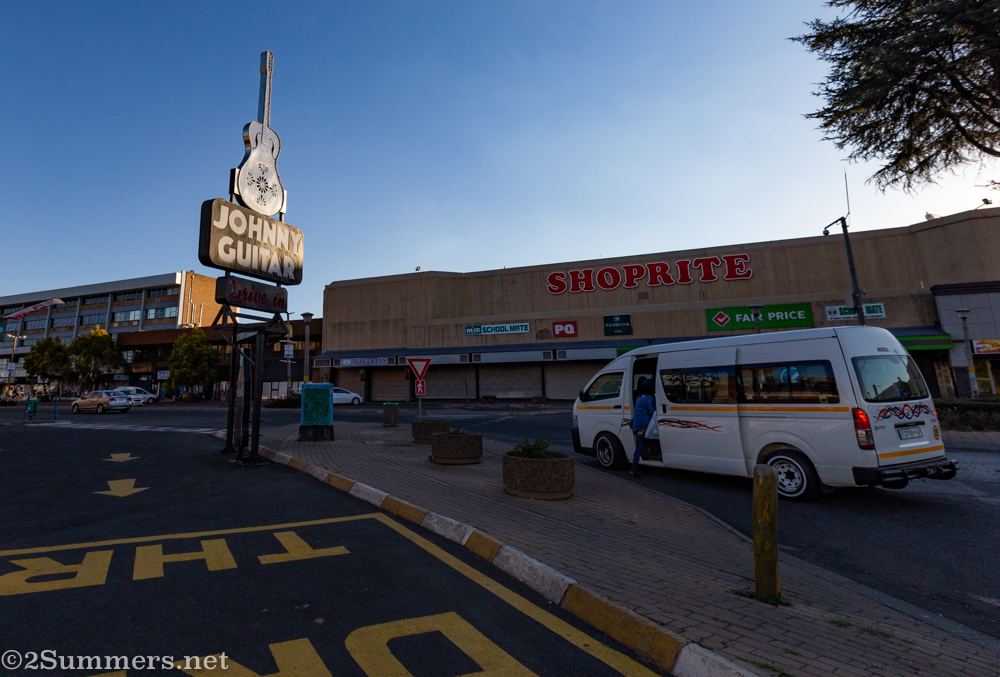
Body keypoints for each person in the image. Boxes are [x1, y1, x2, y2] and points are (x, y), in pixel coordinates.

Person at [629, 378, 656, 478]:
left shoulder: (639, 397)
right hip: (645, 426)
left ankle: (634, 467)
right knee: (642, 445)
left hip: (637, 425)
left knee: (639, 446)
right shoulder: (649, 398)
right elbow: (653, 412)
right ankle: (634, 468)